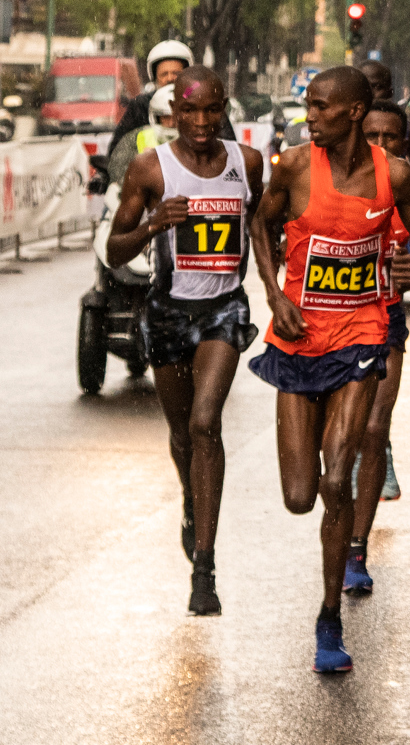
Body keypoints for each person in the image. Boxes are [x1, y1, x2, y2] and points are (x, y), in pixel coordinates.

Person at [246, 65, 410, 673]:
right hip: (299, 339)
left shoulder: (396, 176)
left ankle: (330, 618)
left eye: (322, 106)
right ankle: (335, 570)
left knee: (336, 481)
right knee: (300, 496)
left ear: (354, 111)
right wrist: (273, 293)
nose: (311, 116)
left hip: (361, 335)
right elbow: (259, 222)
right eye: (309, 105)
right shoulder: (295, 167)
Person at [106, 68, 263, 616]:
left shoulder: (247, 163)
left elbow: (259, 223)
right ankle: (192, 498)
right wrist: (153, 224)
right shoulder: (151, 168)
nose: (200, 122)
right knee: (180, 435)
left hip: (224, 309)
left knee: (204, 423)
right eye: (189, 111)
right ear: (172, 112)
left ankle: (204, 568)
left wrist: (274, 283)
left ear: (224, 109)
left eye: (211, 110)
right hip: (169, 311)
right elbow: (114, 250)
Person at [342, 99, 410, 595]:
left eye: (391, 137)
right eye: (373, 135)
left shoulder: (407, 187)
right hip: (332, 323)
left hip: (386, 319)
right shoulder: (329, 181)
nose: (382, 145)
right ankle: (336, 526)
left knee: (373, 430)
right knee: (338, 442)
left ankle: (356, 547)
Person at [107, 40, 234, 176]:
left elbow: (228, 145)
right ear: (155, 77)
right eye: (164, 74)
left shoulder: (204, 102)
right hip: (152, 179)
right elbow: (118, 150)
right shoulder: (141, 105)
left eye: (176, 73)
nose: (170, 78)